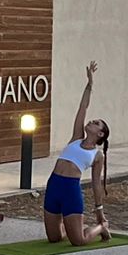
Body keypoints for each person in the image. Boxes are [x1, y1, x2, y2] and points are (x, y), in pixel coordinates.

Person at [41, 61, 111, 245]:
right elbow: (83, 108)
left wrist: (99, 211)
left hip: (70, 189)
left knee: (78, 241)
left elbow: (96, 184)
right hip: (54, 184)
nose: (92, 121)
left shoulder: (97, 155)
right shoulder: (76, 138)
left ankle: (101, 227)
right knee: (54, 238)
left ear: (100, 134)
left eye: (96, 123)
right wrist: (90, 84)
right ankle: (70, 225)